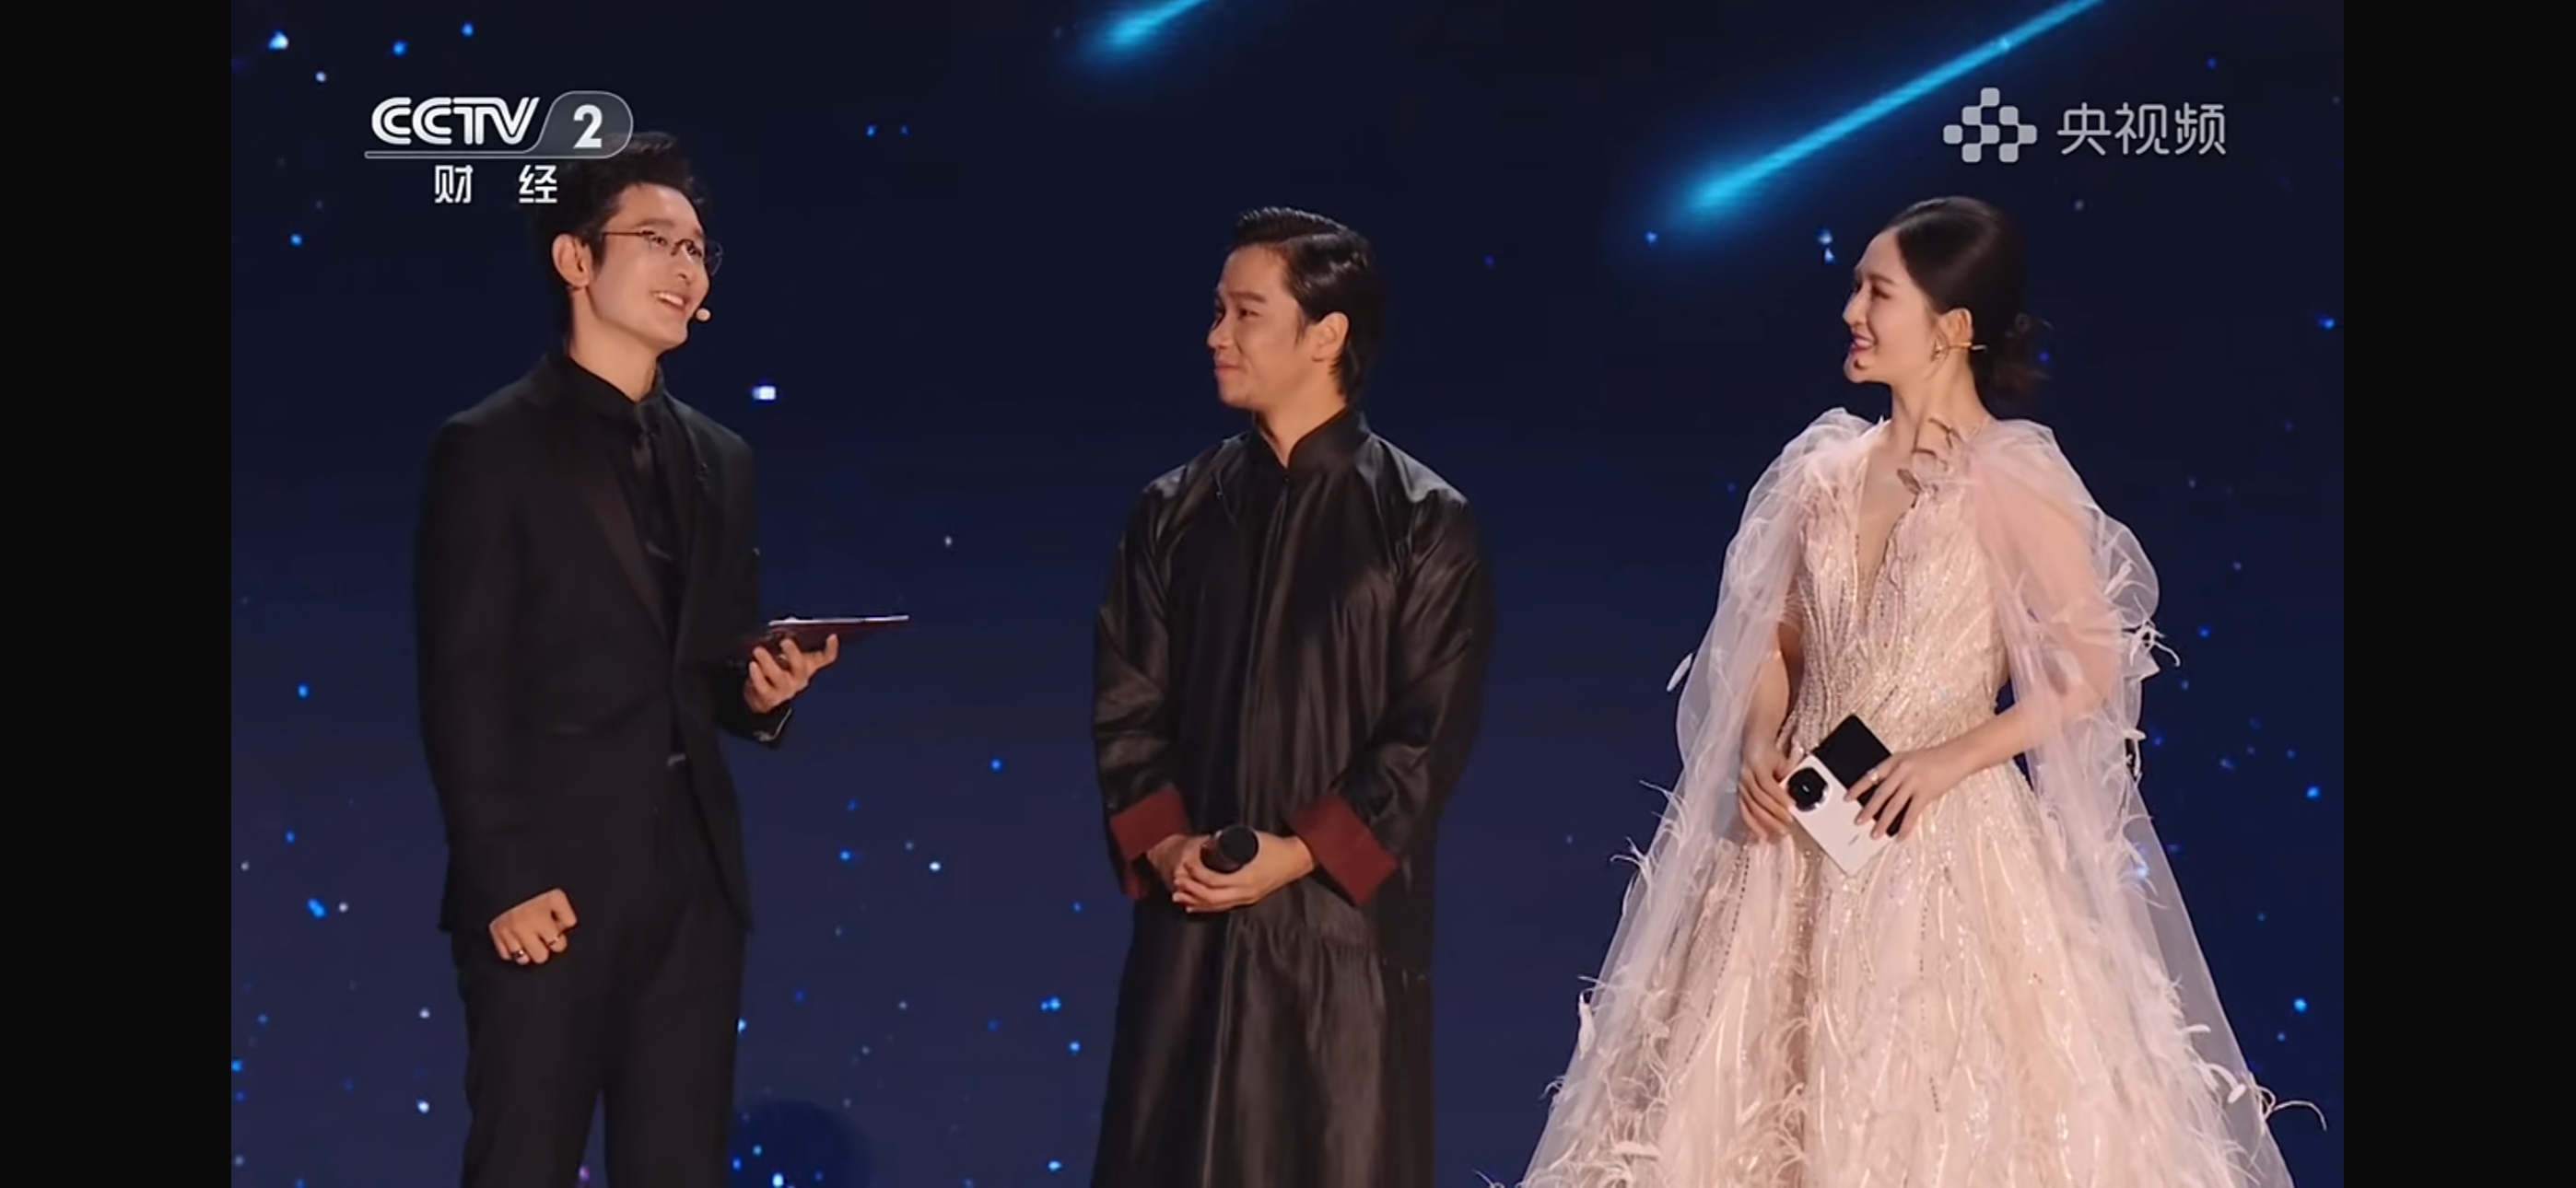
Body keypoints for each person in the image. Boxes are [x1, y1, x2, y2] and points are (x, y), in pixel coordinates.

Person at [1517, 197, 2301, 1186]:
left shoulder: (2011, 475)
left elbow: (2090, 669)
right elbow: (1776, 643)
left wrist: (1948, 758)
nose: (1852, 311)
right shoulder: (1821, 474)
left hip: (1940, 835)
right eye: (1856, 288)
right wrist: (1759, 742)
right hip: (1786, 842)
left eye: (1877, 292)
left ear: (1951, 326)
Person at [413, 132, 839, 1188]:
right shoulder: (488, 446)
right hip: (547, 891)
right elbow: (462, 678)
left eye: (698, 249)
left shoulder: (722, 457)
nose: (687, 268)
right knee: (523, 1159)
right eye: (657, 240)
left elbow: (709, 668)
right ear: (576, 258)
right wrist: (507, 875)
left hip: (694, 888)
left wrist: (766, 695)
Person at [1088, 207, 1498, 1187]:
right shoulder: (1172, 512)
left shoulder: (1423, 522)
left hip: (1339, 942)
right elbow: (1126, 706)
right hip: (1191, 936)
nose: (1216, 335)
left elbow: (1426, 736)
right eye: (1217, 311)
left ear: (1326, 335)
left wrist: (1300, 853)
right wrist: (1167, 845)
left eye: (1246, 313)